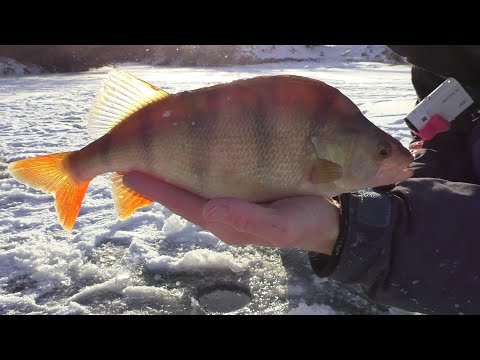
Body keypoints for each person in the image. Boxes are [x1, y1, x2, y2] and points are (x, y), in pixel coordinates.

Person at [122, 46, 480, 315]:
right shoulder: (440, 65)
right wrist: (412, 186)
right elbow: (454, 137)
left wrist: (377, 234)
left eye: (381, 152)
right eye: (383, 153)